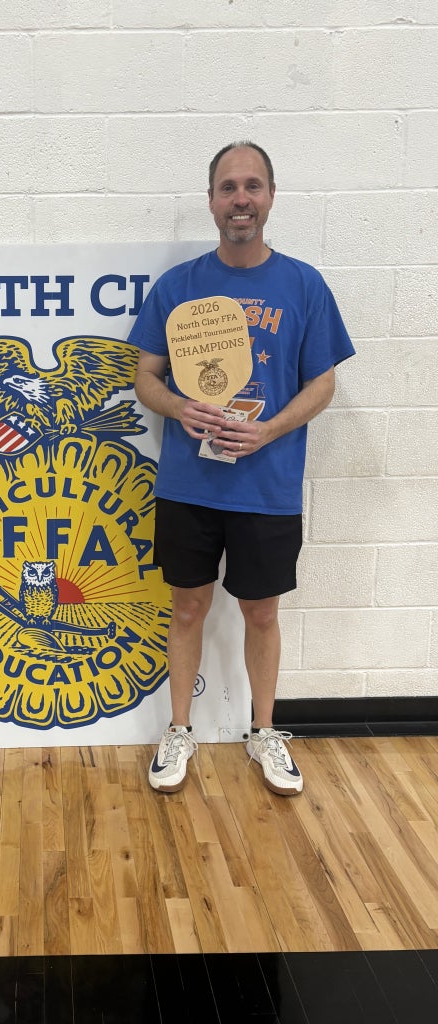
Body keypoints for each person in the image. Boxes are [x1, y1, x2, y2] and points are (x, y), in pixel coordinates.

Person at [131, 142, 354, 797]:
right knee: (187, 607)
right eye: (228, 187)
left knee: (261, 613)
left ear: (271, 196)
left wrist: (269, 430)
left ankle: (263, 732)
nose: (240, 199)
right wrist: (180, 408)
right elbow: (144, 376)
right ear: (210, 201)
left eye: (252, 186)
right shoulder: (178, 287)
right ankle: (179, 730)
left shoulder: (303, 284)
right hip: (188, 485)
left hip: (268, 485)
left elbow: (323, 383)